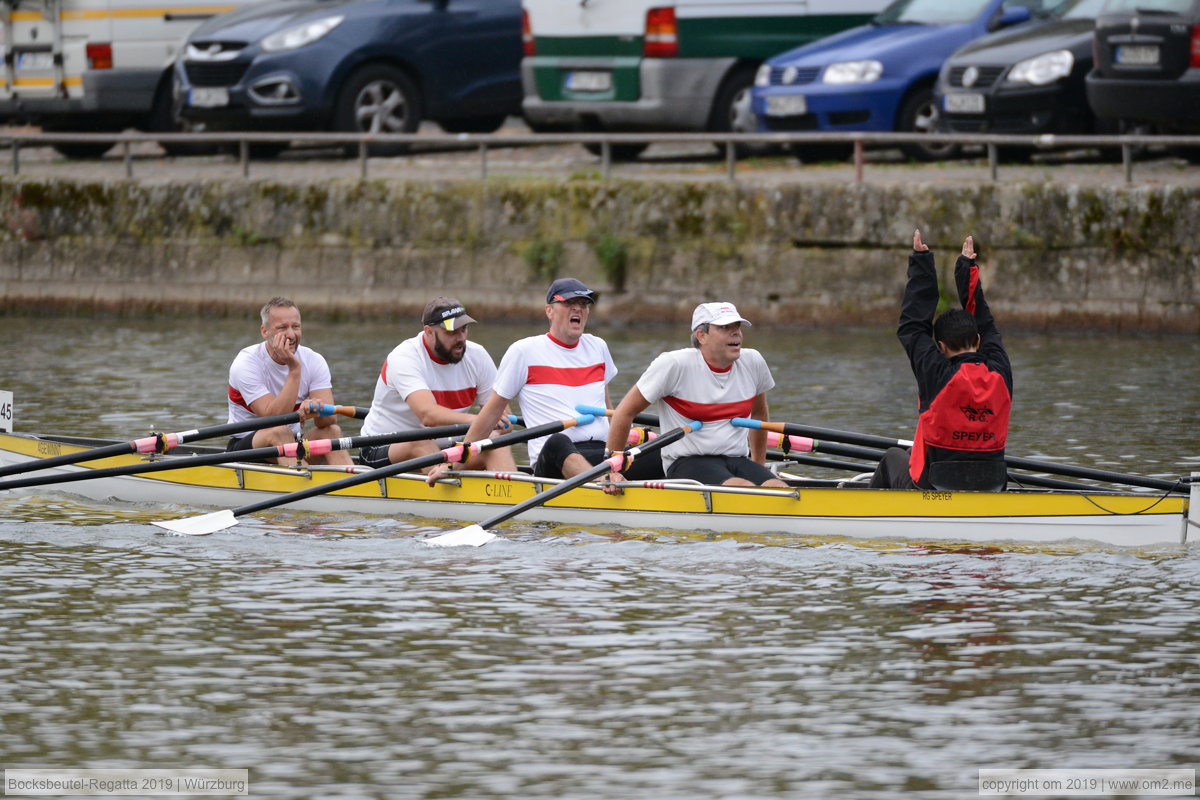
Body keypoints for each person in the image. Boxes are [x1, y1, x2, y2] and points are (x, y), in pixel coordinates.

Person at [428, 277, 660, 485]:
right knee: (557, 441)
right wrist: (453, 463)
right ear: (549, 310)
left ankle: (625, 481)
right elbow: (490, 414)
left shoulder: (598, 347)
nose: (578, 308)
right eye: (569, 303)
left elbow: (608, 410)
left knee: (662, 449)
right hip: (553, 460)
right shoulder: (524, 351)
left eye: (584, 304)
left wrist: (623, 453)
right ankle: (602, 483)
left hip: (602, 455)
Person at [869, 230, 1013, 490]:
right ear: (979, 342)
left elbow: (912, 327)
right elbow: (987, 323)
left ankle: (865, 513)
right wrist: (967, 269)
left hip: (933, 489)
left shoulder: (936, 372)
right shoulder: (1000, 372)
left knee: (892, 457)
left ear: (941, 347)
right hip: (993, 485)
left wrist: (922, 262)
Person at [604, 301, 787, 493]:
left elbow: (758, 416)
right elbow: (625, 412)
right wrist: (613, 468)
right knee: (743, 488)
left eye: (737, 327)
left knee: (777, 488)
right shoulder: (674, 365)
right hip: (687, 462)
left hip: (736, 459)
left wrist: (758, 466)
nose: (736, 333)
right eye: (725, 327)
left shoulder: (753, 362)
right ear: (702, 336)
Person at [358, 297, 516, 474]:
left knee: (494, 441)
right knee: (420, 441)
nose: (461, 338)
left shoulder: (477, 356)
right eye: (452, 332)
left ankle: (518, 496)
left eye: (464, 329)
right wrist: (482, 421)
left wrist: (494, 424)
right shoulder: (404, 357)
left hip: (445, 452)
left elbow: (506, 422)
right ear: (429, 332)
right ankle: (449, 483)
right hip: (383, 448)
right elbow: (428, 416)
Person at [226, 296, 353, 466]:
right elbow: (274, 419)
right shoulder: (246, 363)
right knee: (279, 431)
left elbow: (328, 421)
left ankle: (354, 488)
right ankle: (309, 484)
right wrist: (294, 370)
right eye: (282, 328)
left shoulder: (314, 360)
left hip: (291, 445)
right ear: (265, 331)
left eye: (296, 327)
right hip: (247, 449)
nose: (291, 335)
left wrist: (316, 409)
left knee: (331, 431)